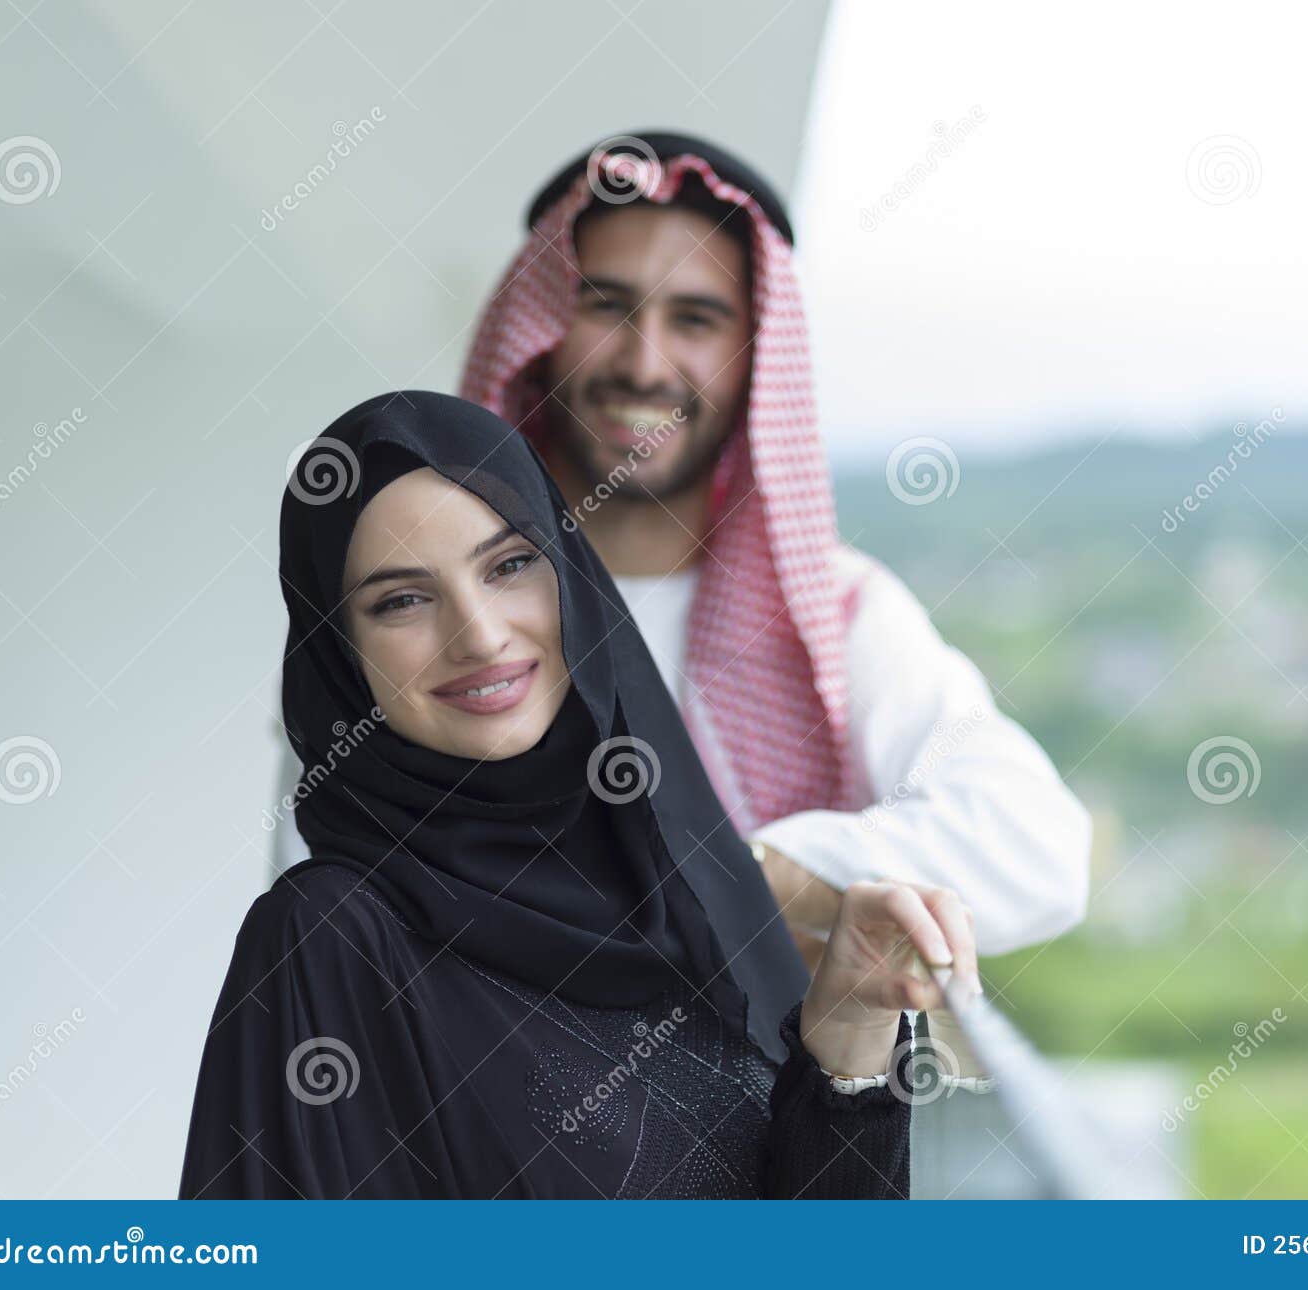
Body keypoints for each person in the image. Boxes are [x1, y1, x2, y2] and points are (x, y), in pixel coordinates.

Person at [272, 131, 1090, 965]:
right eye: (606, 305)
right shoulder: (432, 614)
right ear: (541, 326)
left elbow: (1037, 852)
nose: (643, 363)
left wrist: (732, 879)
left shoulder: (836, 611)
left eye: (695, 318)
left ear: (755, 356)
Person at [182, 392, 979, 1200]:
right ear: (340, 656)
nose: (481, 635)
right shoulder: (330, 942)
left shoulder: (673, 886)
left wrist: (847, 1042)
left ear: (568, 574)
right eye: (402, 600)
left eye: (509, 565)